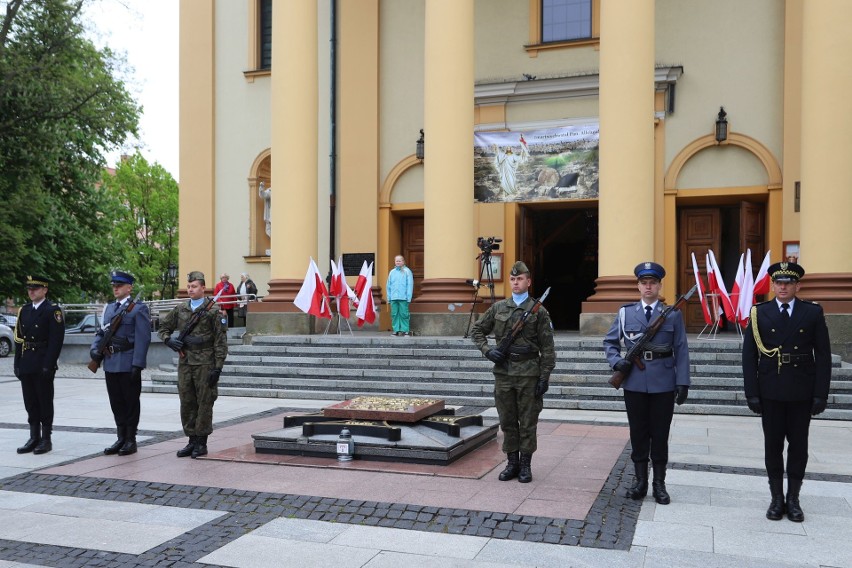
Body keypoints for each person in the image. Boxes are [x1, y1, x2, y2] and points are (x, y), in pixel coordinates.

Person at [742, 261, 831, 522]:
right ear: (773, 285)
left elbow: (823, 356)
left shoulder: (812, 313)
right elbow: (749, 357)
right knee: (773, 446)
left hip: (802, 390)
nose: (783, 287)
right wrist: (752, 393)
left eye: (788, 283)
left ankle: (793, 498)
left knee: (799, 447)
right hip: (770, 390)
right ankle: (776, 498)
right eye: (779, 283)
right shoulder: (760, 312)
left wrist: (820, 394)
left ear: (797, 286)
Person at [603, 262, 690, 505]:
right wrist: (616, 361)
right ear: (638, 286)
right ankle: (640, 482)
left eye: (653, 282)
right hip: (634, 382)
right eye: (644, 282)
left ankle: (659, 484)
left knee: (660, 435)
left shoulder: (673, 315)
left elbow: (681, 349)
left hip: (664, 382)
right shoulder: (626, 313)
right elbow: (610, 342)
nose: (648, 286)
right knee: (639, 433)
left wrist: (683, 382)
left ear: (660, 285)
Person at [471, 261, 555, 483]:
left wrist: (544, 377)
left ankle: (526, 465)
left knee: (528, 422)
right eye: (513, 279)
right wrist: (488, 351)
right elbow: (477, 330)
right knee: (507, 420)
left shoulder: (539, 311)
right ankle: (512, 463)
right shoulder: (498, 308)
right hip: (504, 373)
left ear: (528, 282)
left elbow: (548, 348)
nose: (516, 282)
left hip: (529, 373)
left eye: (520, 279)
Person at [158, 271, 229, 459]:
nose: (190, 289)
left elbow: (220, 341)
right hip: (185, 362)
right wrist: (169, 340)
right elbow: (163, 327)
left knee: (204, 402)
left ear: (203, 288)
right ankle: (191, 440)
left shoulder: (213, 311)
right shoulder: (181, 309)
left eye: (194, 286)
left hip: (205, 363)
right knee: (187, 401)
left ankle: (201, 442)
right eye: (189, 286)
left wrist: (218, 367)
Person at [89, 271, 152, 456]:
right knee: (116, 402)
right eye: (114, 285)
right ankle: (120, 437)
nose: (115, 288)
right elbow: (101, 333)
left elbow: (143, 338)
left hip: (127, 361)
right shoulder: (109, 308)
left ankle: (130, 439)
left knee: (130, 402)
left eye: (119, 285)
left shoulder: (138, 309)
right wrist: (94, 349)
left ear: (129, 288)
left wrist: (137, 364)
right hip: (110, 361)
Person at [13, 276, 65, 455]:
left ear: (45, 290)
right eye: (29, 288)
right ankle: (33, 436)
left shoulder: (52, 310)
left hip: (43, 360)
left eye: (35, 288)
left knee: (44, 400)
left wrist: (49, 365)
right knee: (30, 401)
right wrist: (17, 362)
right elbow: (19, 339)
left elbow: (56, 341)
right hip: (27, 360)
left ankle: (46, 439)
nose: (31, 291)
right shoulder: (24, 310)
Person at [386, 255, 414, 336]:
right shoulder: (392, 272)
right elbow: (388, 285)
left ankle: (405, 330)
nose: (398, 262)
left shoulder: (407, 271)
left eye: (399, 261)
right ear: (394, 262)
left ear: (403, 262)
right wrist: (389, 297)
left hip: (403, 297)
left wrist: (408, 297)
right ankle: (396, 330)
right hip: (393, 297)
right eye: (396, 261)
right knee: (394, 314)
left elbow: (410, 285)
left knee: (404, 313)